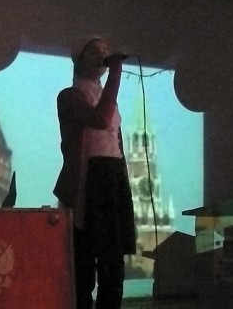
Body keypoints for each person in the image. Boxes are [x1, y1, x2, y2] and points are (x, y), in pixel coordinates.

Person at [53, 37, 136, 309]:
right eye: (94, 51)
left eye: (105, 51)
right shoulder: (69, 96)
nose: (102, 55)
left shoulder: (106, 97)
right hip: (88, 180)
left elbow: (116, 143)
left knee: (113, 260)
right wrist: (116, 72)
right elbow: (100, 119)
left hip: (113, 177)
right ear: (78, 59)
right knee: (84, 260)